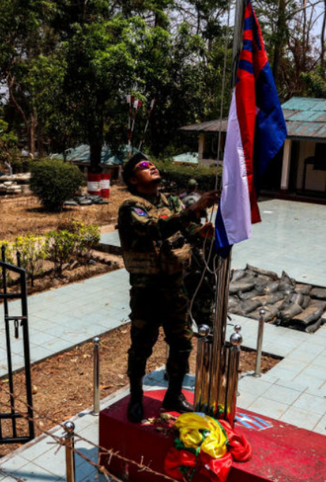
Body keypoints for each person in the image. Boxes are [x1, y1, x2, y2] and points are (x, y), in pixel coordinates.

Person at [118, 153, 218, 423]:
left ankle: (173, 395)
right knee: (141, 344)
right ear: (132, 179)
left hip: (175, 285)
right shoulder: (131, 207)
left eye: (152, 163)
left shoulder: (170, 200)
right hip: (146, 288)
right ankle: (137, 396)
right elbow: (154, 228)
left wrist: (201, 232)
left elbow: (185, 228)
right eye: (143, 167)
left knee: (182, 342)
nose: (151, 166)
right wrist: (192, 209)